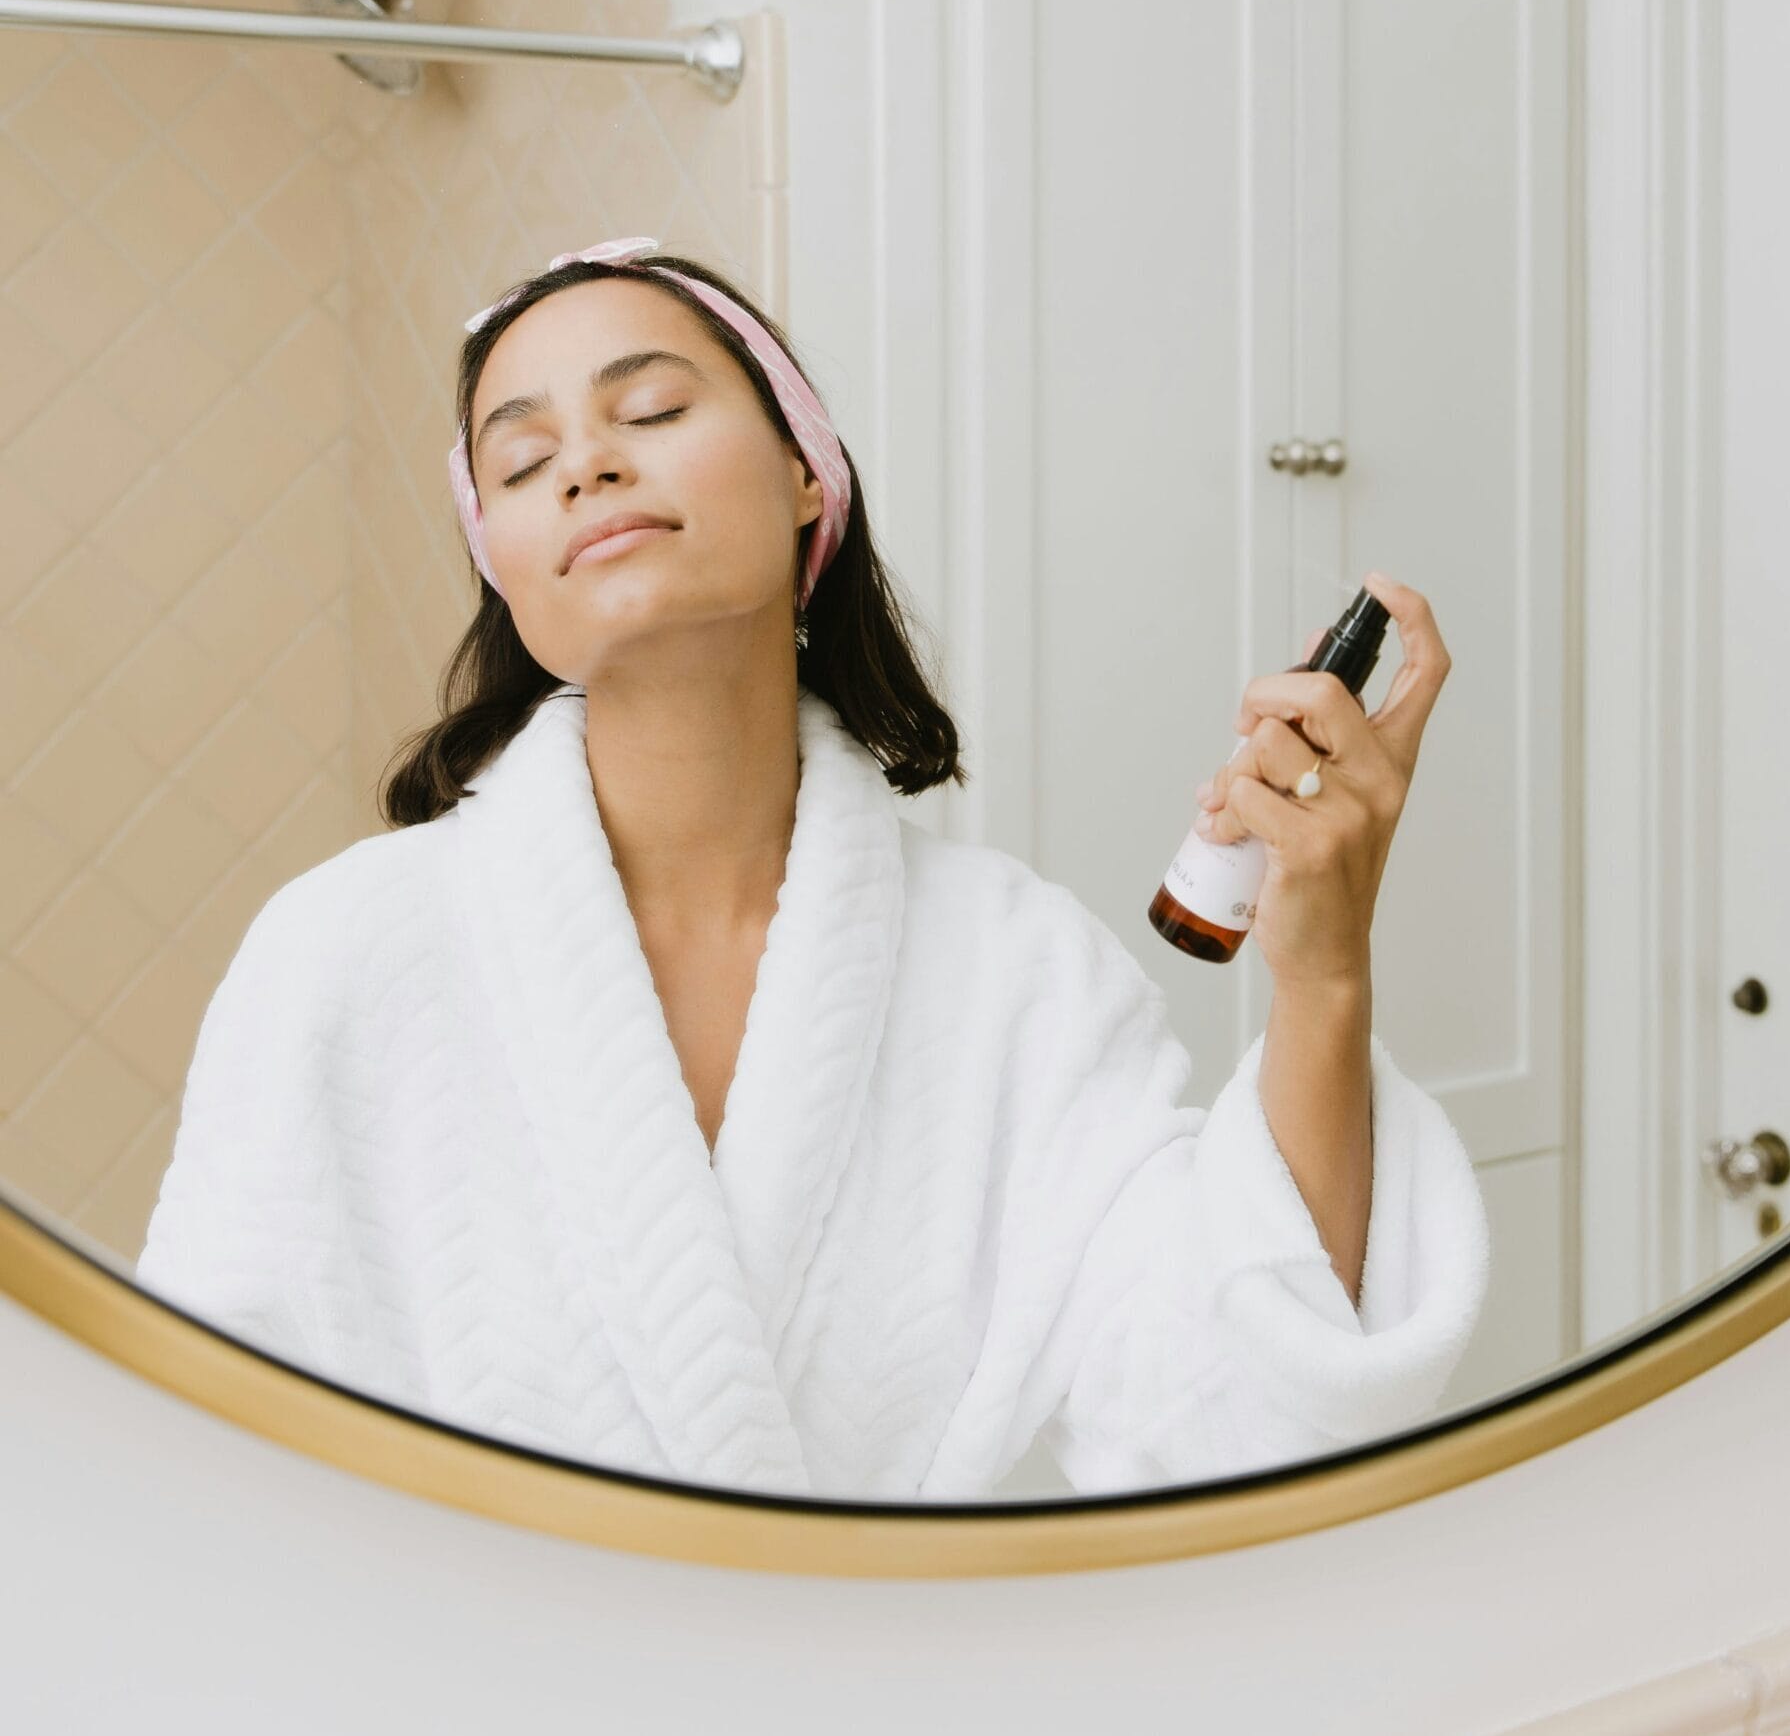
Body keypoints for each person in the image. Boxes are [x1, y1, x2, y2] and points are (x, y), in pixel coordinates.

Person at [136, 235, 1488, 1500]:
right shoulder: (341, 955)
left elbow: (1230, 1418)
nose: (587, 464)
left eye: (651, 411)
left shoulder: (1019, 975)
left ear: (806, 476)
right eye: (522, 456)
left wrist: (1322, 974)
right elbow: (206, 1478)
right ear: (502, 567)